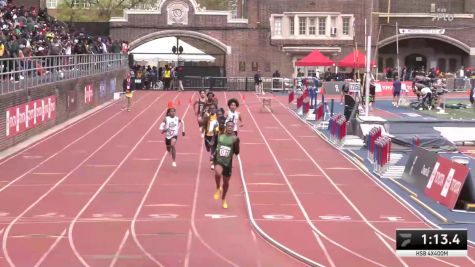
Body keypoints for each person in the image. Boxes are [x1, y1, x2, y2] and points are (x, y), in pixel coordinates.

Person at [213, 120, 240, 209]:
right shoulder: (220, 135)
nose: (230, 128)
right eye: (228, 126)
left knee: (226, 183)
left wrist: (236, 142)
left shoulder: (234, 138)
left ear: (233, 128)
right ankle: (217, 188)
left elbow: (237, 152)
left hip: (228, 163)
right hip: (219, 160)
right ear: (226, 126)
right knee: (217, 173)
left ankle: (223, 198)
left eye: (231, 127)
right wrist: (213, 154)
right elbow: (214, 145)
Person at [202, 103, 219, 169]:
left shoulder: (217, 115)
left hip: (214, 135)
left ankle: (212, 163)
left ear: (216, 109)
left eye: (213, 108)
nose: (212, 109)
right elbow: (203, 123)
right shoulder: (206, 115)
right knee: (208, 148)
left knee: (213, 149)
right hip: (207, 135)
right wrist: (202, 131)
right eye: (211, 108)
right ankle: (212, 157)